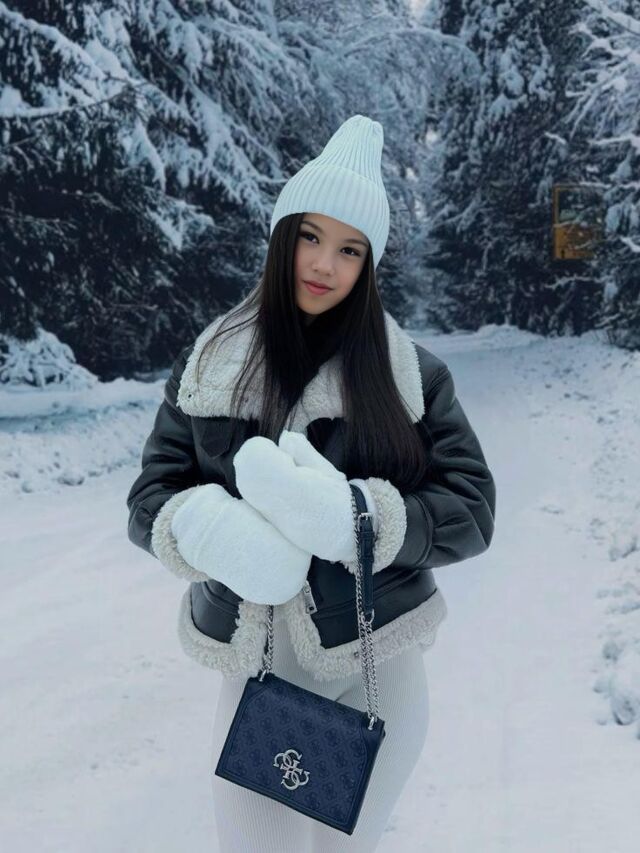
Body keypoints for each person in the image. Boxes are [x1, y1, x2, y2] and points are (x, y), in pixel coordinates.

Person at [126, 114, 496, 852]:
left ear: (369, 264)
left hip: (378, 664)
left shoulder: (411, 377)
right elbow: (150, 498)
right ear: (281, 237)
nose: (325, 263)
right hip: (258, 666)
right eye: (310, 236)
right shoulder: (211, 364)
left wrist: (361, 519)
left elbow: (472, 509)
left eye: (350, 249)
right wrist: (208, 528)